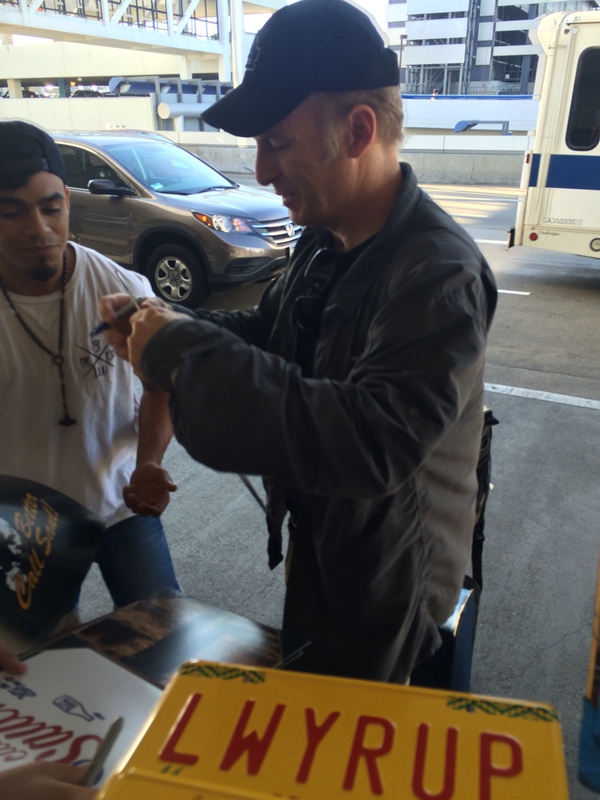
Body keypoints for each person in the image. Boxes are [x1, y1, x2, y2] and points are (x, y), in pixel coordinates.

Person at [102, 0, 498, 685]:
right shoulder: (326, 236)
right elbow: (271, 336)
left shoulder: (438, 274)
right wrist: (157, 320)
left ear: (358, 130)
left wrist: (179, 352)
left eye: (277, 143)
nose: (260, 170)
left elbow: (371, 442)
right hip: (332, 555)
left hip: (393, 598)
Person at [0, 120, 181, 674]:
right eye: (12, 211)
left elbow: (158, 387)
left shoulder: (123, 294)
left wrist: (150, 461)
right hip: (24, 529)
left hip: (124, 507)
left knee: (167, 648)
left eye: (52, 206)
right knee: (43, 670)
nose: (40, 228)